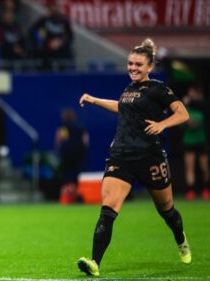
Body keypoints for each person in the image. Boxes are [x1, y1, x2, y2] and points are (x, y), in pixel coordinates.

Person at [76, 38, 192, 276]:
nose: (133, 68)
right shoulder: (129, 90)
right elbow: (122, 107)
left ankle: (180, 239)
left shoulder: (158, 89)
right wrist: (95, 100)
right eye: (130, 64)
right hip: (121, 156)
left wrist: (163, 124)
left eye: (138, 65)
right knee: (108, 210)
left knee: (166, 210)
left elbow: (183, 113)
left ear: (149, 66)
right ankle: (95, 263)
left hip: (150, 158)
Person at [54, 108, 89, 204]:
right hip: (79, 153)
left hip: (67, 152)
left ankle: (64, 196)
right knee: (77, 174)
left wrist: (57, 148)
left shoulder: (63, 126)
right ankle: (76, 195)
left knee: (64, 174)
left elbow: (60, 137)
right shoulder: (80, 126)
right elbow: (85, 140)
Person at [182, 84, 210, 200]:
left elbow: (197, 124)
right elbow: (182, 123)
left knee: (204, 168)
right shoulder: (184, 107)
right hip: (189, 141)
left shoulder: (203, 107)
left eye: (194, 92)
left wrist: (191, 122)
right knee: (190, 167)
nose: (191, 94)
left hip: (201, 141)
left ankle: (206, 189)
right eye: (190, 92)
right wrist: (183, 105)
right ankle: (190, 191)